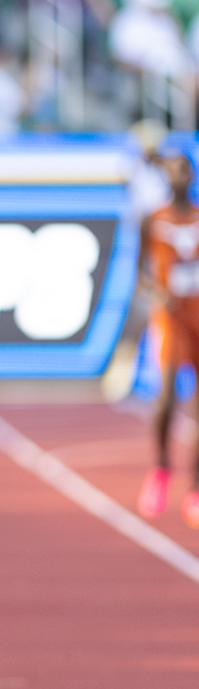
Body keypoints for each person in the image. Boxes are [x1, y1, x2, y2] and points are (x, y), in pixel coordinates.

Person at [135, 152, 199, 526]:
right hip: (172, 316)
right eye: (174, 171)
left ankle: (195, 486)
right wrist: (158, 295)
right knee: (166, 397)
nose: (180, 177)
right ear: (166, 176)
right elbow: (139, 274)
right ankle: (160, 469)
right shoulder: (152, 220)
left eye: (186, 170)